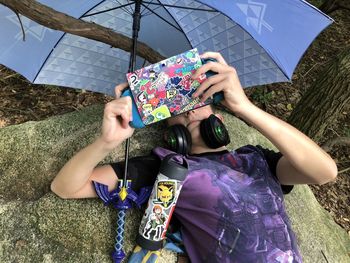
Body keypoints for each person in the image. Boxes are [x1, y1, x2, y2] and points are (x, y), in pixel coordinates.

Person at [51, 52, 337, 262]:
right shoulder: (167, 169)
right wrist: (106, 141)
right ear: (168, 132)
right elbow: (66, 187)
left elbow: (324, 172)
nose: (187, 110)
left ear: (216, 109)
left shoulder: (258, 160)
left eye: (194, 98)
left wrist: (246, 108)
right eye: (172, 109)